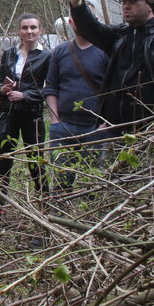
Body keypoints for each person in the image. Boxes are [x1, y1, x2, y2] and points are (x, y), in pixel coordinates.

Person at [70, 0, 154, 131]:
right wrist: (76, 2)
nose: (126, 6)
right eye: (123, 1)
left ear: (150, 5)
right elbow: (90, 29)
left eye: (133, 1)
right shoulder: (120, 35)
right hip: (117, 129)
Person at [0, 14, 51, 214]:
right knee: (3, 159)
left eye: (33, 27)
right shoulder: (9, 54)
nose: (29, 32)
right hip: (8, 114)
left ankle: (44, 206)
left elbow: (50, 88)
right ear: (19, 31)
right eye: (25, 28)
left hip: (33, 115)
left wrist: (25, 95)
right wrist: (2, 89)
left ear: (40, 30)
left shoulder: (47, 56)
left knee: (36, 160)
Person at [43, 18, 108, 190]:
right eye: (77, 18)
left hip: (95, 128)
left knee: (93, 183)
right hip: (63, 127)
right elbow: (51, 87)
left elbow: (115, 91)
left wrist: (105, 123)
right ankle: (57, 215)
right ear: (71, 22)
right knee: (61, 181)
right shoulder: (60, 51)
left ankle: (90, 217)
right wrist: (55, 120)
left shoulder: (105, 51)